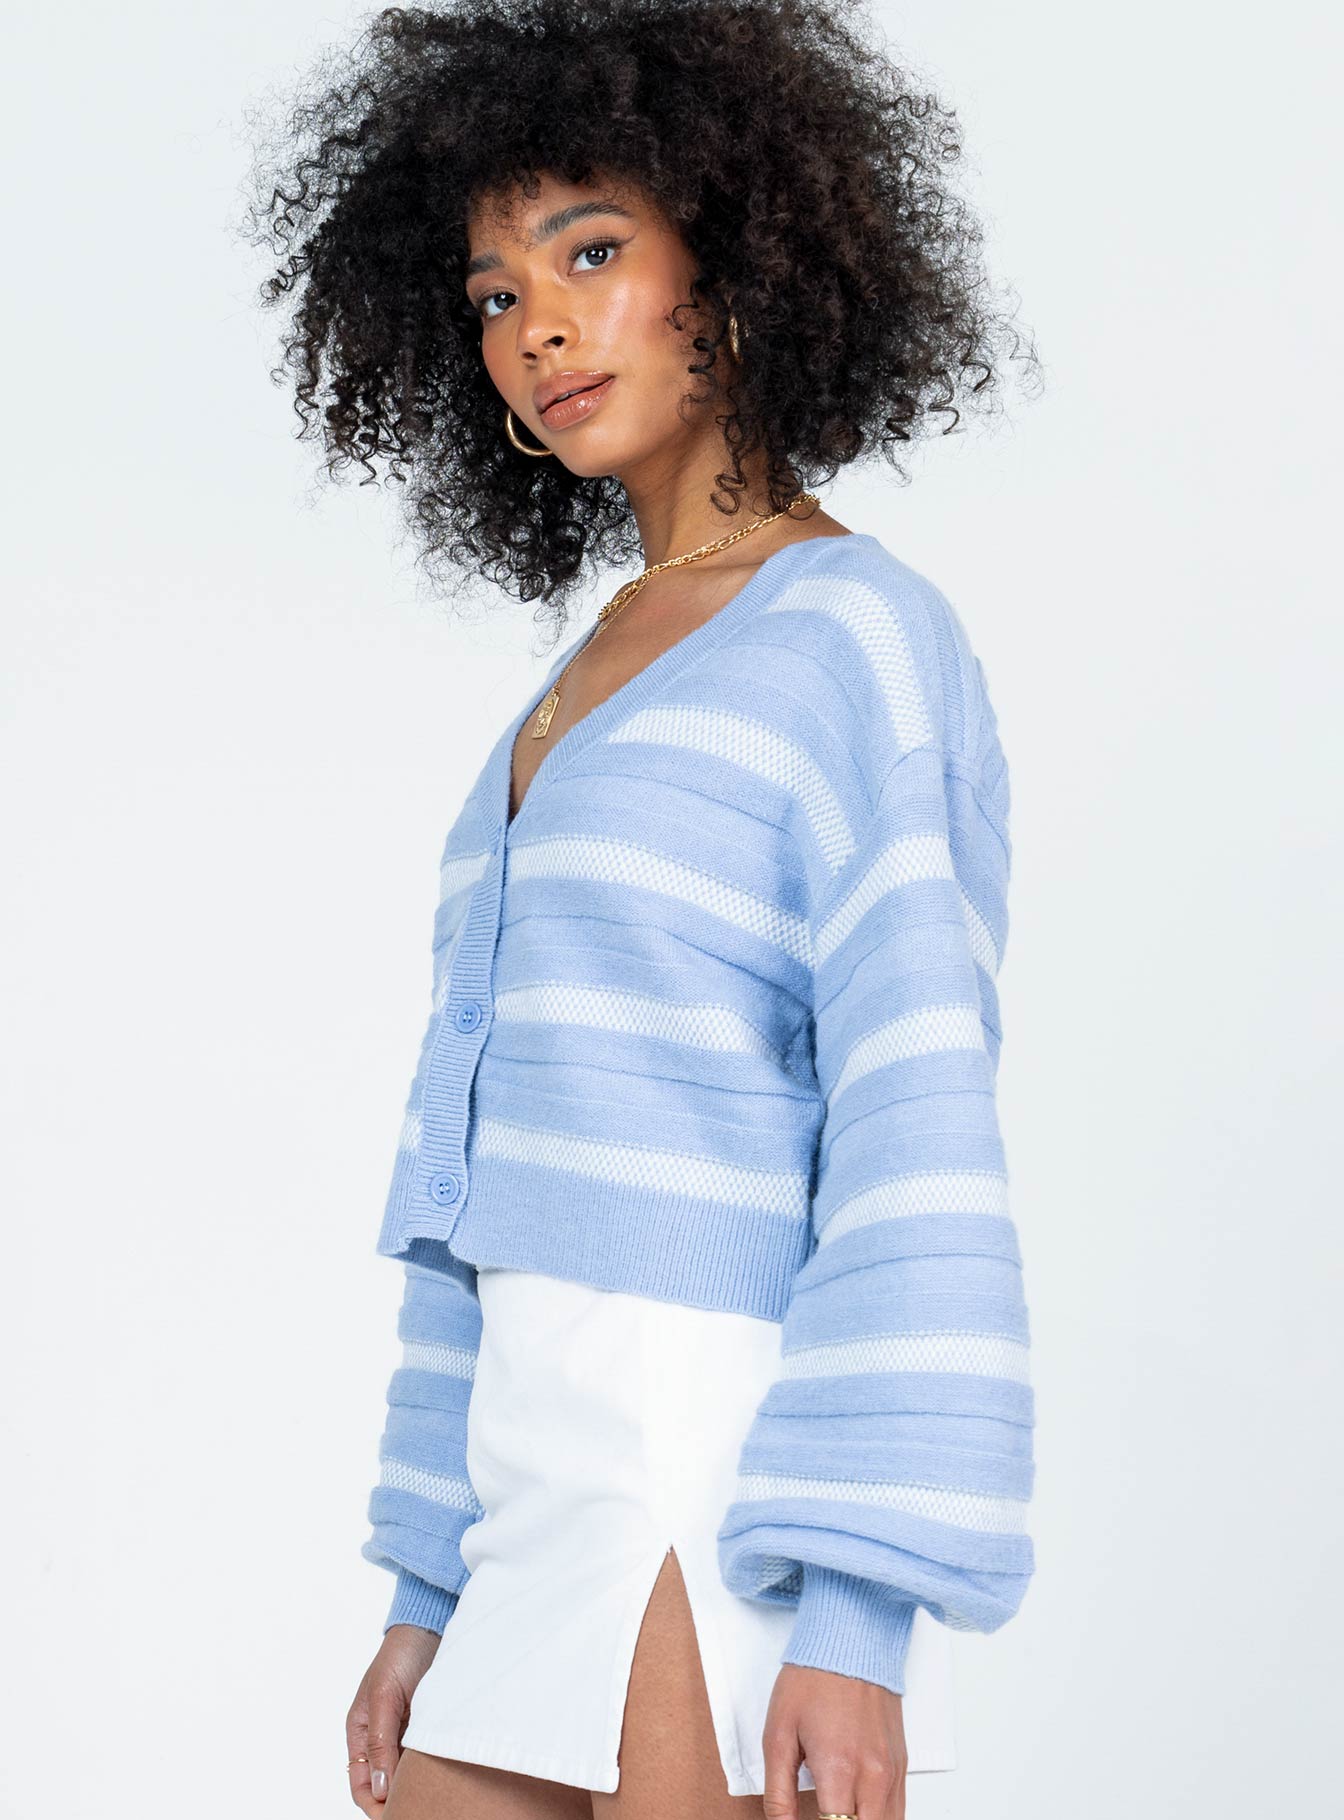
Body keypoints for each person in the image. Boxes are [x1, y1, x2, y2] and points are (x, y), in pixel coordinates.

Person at [244, 3, 1041, 1816]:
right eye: (495, 292)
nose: (538, 326)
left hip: (708, 1454)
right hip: (526, 1469)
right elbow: (474, 1177)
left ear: (733, 258)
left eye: (591, 253)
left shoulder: (855, 641)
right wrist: (425, 1580)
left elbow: (915, 1121)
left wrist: (857, 1610)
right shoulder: (578, 676)